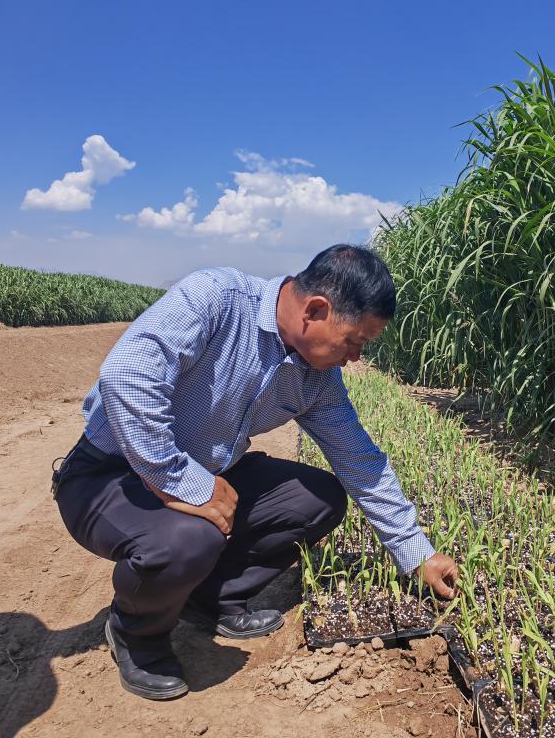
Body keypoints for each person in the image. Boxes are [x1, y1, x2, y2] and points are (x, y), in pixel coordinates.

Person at [52, 244, 459, 700]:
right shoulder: (216, 298)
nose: (355, 358)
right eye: (355, 341)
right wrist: (183, 484)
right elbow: (126, 376)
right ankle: (136, 634)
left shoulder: (316, 380)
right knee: (190, 537)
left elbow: (360, 460)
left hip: (201, 468)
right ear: (317, 310)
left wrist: (415, 552)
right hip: (109, 473)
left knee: (317, 498)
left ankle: (210, 597)